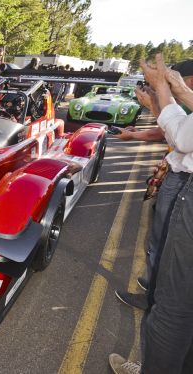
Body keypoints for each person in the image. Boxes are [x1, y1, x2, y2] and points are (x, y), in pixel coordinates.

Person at [109, 54, 193, 374]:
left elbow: (180, 138)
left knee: (171, 311)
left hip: (184, 180)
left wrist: (164, 92)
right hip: (180, 177)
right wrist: (167, 96)